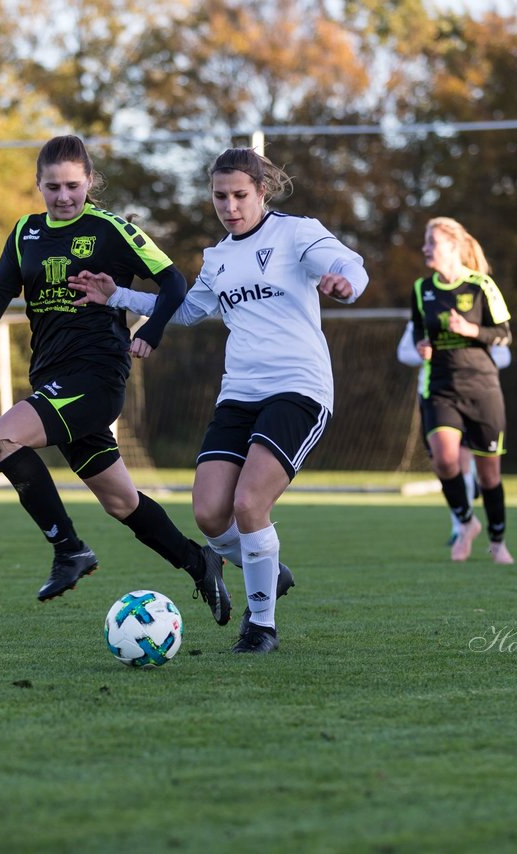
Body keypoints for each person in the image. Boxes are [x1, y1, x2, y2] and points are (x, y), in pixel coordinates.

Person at [69, 148, 368, 653]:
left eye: (239, 195)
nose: (229, 206)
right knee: (210, 514)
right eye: (220, 196)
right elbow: (184, 310)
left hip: (298, 388)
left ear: (261, 191)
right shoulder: (219, 256)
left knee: (250, 503)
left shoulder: (296, 234)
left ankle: (262, 626)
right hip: (240, 392)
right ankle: (267, 567)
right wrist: (116, 294)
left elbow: (349, 264)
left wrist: (345, 283)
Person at [0, 135, 231, 624]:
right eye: (52, 187)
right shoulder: (25, 231)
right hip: (51, 376)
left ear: (89, 181)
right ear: (38, 185)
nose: (63, 196)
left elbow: (173, 281)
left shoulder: (112, 229)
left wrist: (151, 329)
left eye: (72, 186)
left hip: (96, 375)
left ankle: (69, 549)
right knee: (120, 501)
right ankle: (199, 562)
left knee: (2, 438)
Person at [409, 217, 514, 564]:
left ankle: (497, 541)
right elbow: (417, 334)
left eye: (432, 242)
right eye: (425, 242)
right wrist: (422, 346)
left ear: (453, 247)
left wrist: (471, 330)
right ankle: (466, 523)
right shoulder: (422, 289)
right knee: (445, 458)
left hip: (483, 388)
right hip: (439, 387)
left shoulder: (482, 284)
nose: (425, 248)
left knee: (489, 474)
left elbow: (503, 334)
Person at [396, 320, 510, 546]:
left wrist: (470, 360)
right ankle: (463, 521)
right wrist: (427, 353)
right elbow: (404, 352)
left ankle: (467, 528)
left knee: (468, 461)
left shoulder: (480, 309)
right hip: (435, 396)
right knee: (445, 462)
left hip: (476, 396)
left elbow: (504, 353)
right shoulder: (425, 309)